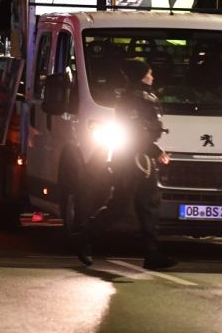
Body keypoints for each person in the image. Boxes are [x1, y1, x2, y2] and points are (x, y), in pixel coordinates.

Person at [74, 58, 177, 270]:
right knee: (119, 206)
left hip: (141, 159)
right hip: (130, 160)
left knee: (149, 206)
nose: (152, 77)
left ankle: (152, 254)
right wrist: (155, 151)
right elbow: (135, 132)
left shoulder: (142, 97)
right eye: (149, 73)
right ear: (141, 76)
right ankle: (84, 236)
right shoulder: (131, 100)